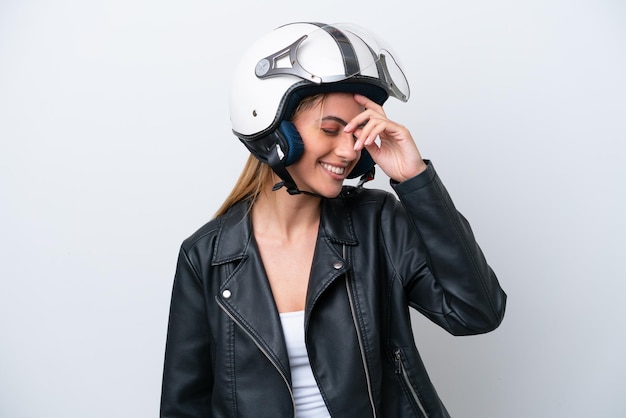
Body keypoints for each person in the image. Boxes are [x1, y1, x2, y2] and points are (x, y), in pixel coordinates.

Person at [160, 22, 506, 418]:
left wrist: (413, 179)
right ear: (273, 131)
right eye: (330, 129)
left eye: (358, 132)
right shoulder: (205, 257)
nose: (349, 150)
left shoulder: (378, 223)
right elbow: (183, 407)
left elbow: (477, 313)